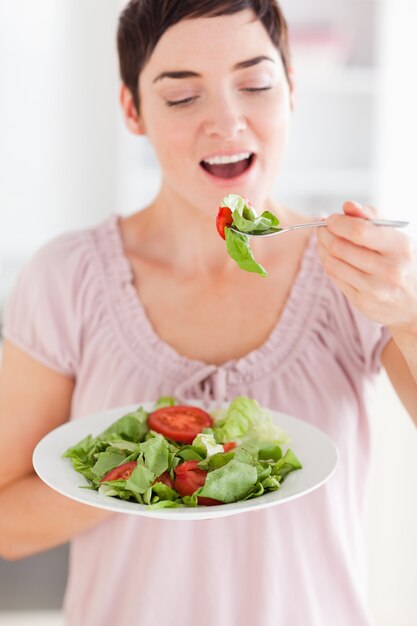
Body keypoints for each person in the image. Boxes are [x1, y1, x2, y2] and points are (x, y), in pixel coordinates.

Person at [0, 1, 416, 625]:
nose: (227, 121)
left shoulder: (354, 273)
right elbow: (7, 523)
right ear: (132, 111)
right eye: (181, 97)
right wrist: (160, 477)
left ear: (292, 89)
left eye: (254, 84)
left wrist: (410, 314)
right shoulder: (66, 279)